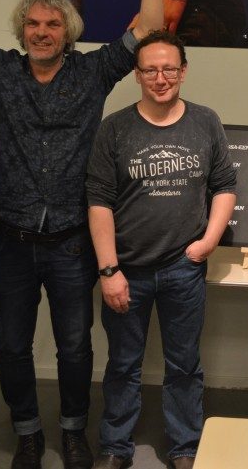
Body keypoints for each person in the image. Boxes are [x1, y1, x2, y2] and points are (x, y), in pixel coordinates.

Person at [0, 0, 163, 469]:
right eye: (32, 23)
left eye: (52, 24)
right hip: (10, 242)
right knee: (12, 346)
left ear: (67, 32)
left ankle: (74, 431)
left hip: (72, 243)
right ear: (22, 30)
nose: (41, 32)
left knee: (75, 346)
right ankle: (28, 434)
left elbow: (147, 30)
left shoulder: (92, 73)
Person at [86, 29, 236, 469]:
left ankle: (185, 446)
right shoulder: (115, 128)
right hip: (126, 270)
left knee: (184, 364)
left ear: (183, 71)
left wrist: (207, 243)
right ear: (136, 75)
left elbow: (225, 185)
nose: (160, 78)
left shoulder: (205, 121)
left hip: (183, 268)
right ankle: (115, 446)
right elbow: (99, 201)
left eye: (169, 68)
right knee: (122, 364)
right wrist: (108, 270)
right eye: (150, 69)